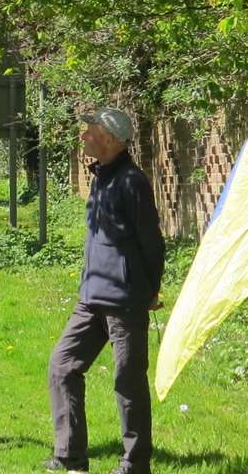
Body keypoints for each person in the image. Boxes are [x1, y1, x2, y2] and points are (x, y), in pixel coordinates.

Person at [44, 106, 165, 474]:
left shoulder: (132, 182)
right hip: (90, 297)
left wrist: (150, 291)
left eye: (90, 131)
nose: (83, 136)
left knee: (127, 381)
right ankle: (70, 456)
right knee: (62, 366)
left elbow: (152, 244)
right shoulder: (100, 177)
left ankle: (135, 462)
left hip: (124, 301)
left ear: (110, 139)